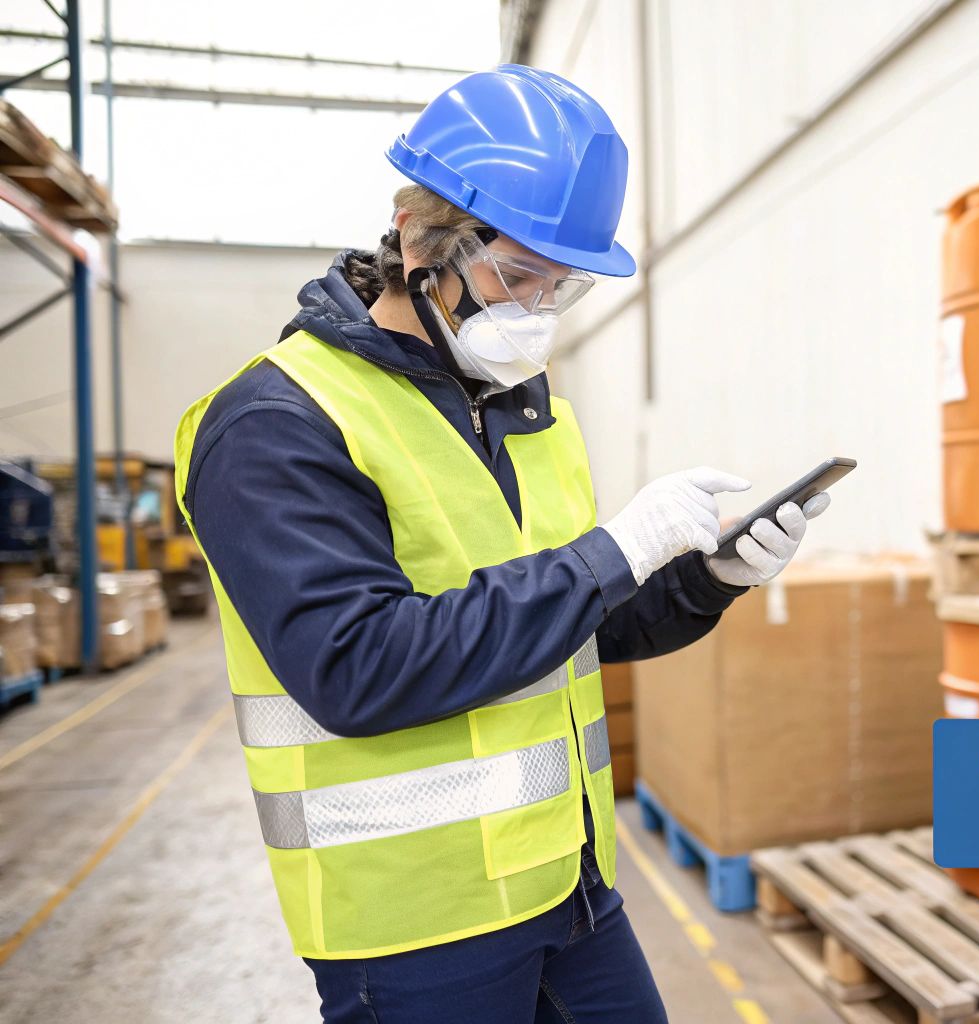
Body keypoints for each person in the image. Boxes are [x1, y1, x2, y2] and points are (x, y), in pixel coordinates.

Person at [172, 65, 825, 1023]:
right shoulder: (277, 423)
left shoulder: (523, 411)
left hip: (569, 882)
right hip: (414, 929)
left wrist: (700, 578)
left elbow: (567, 627)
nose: (538, 310)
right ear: (415, 241)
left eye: (562, 285)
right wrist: (612, 550)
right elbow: (356, 667)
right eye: (519, 274)